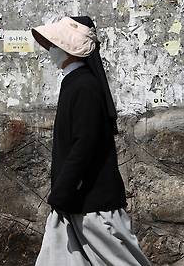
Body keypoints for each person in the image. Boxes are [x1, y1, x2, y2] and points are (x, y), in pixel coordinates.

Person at [31, 15, 152, 266]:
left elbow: (84, 143)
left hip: (93, 206)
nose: (52, 50)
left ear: (70, 51)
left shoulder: (84, 86)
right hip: (76, 203)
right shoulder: (75, 83)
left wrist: (63, 190)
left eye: (56, 45)